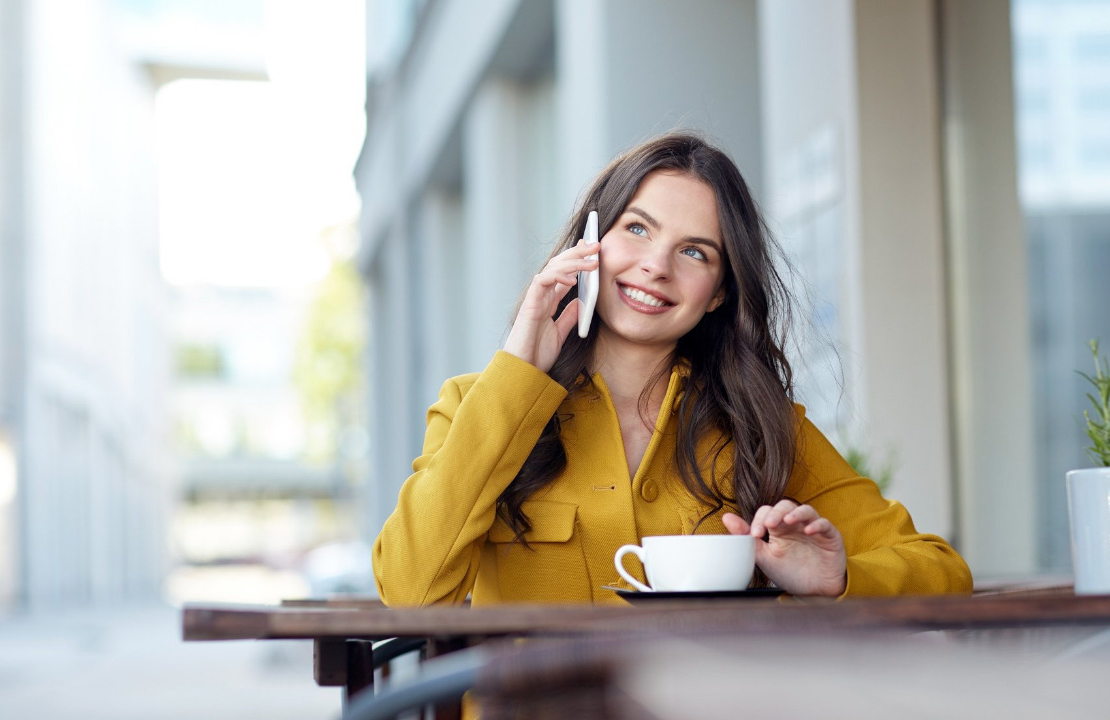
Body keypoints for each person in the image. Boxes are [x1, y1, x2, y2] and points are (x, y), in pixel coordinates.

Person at [372, 132, 972, 606]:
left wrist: (840, 576)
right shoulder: (473, 406)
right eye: (637, 228)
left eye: (694, 252)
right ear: (589, 245)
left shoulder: (763, 427)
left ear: (718, 292)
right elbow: (412, 591)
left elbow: (942, 571)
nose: (656, 266)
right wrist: (515, 374)